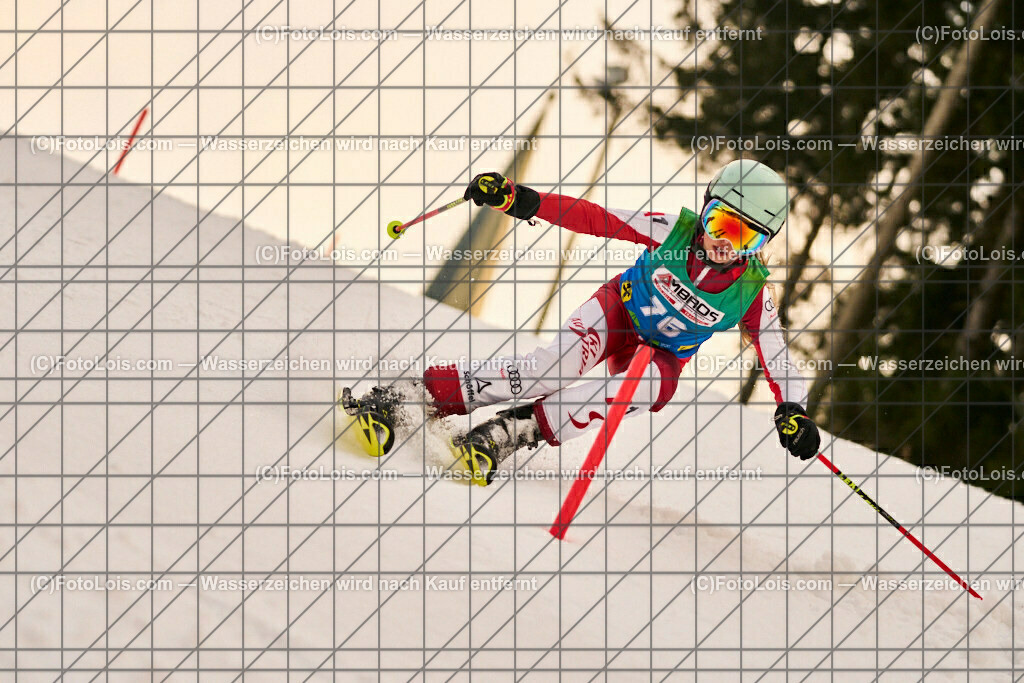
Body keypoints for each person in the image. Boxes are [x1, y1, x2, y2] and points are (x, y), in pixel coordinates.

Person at [342, 160, 821, 485]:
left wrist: (794, 411)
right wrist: (521, 201)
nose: (725, 245)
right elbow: (597, 218)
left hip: (661, 356)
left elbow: (778, 359)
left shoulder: (752, 292)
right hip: (619, 312)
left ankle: (514, 430)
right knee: (548, 369)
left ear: (762, 244)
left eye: (745, 238)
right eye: (720, 224)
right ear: (705, 209)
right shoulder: (669, 231)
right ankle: (412, 396)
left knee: (645, 390)